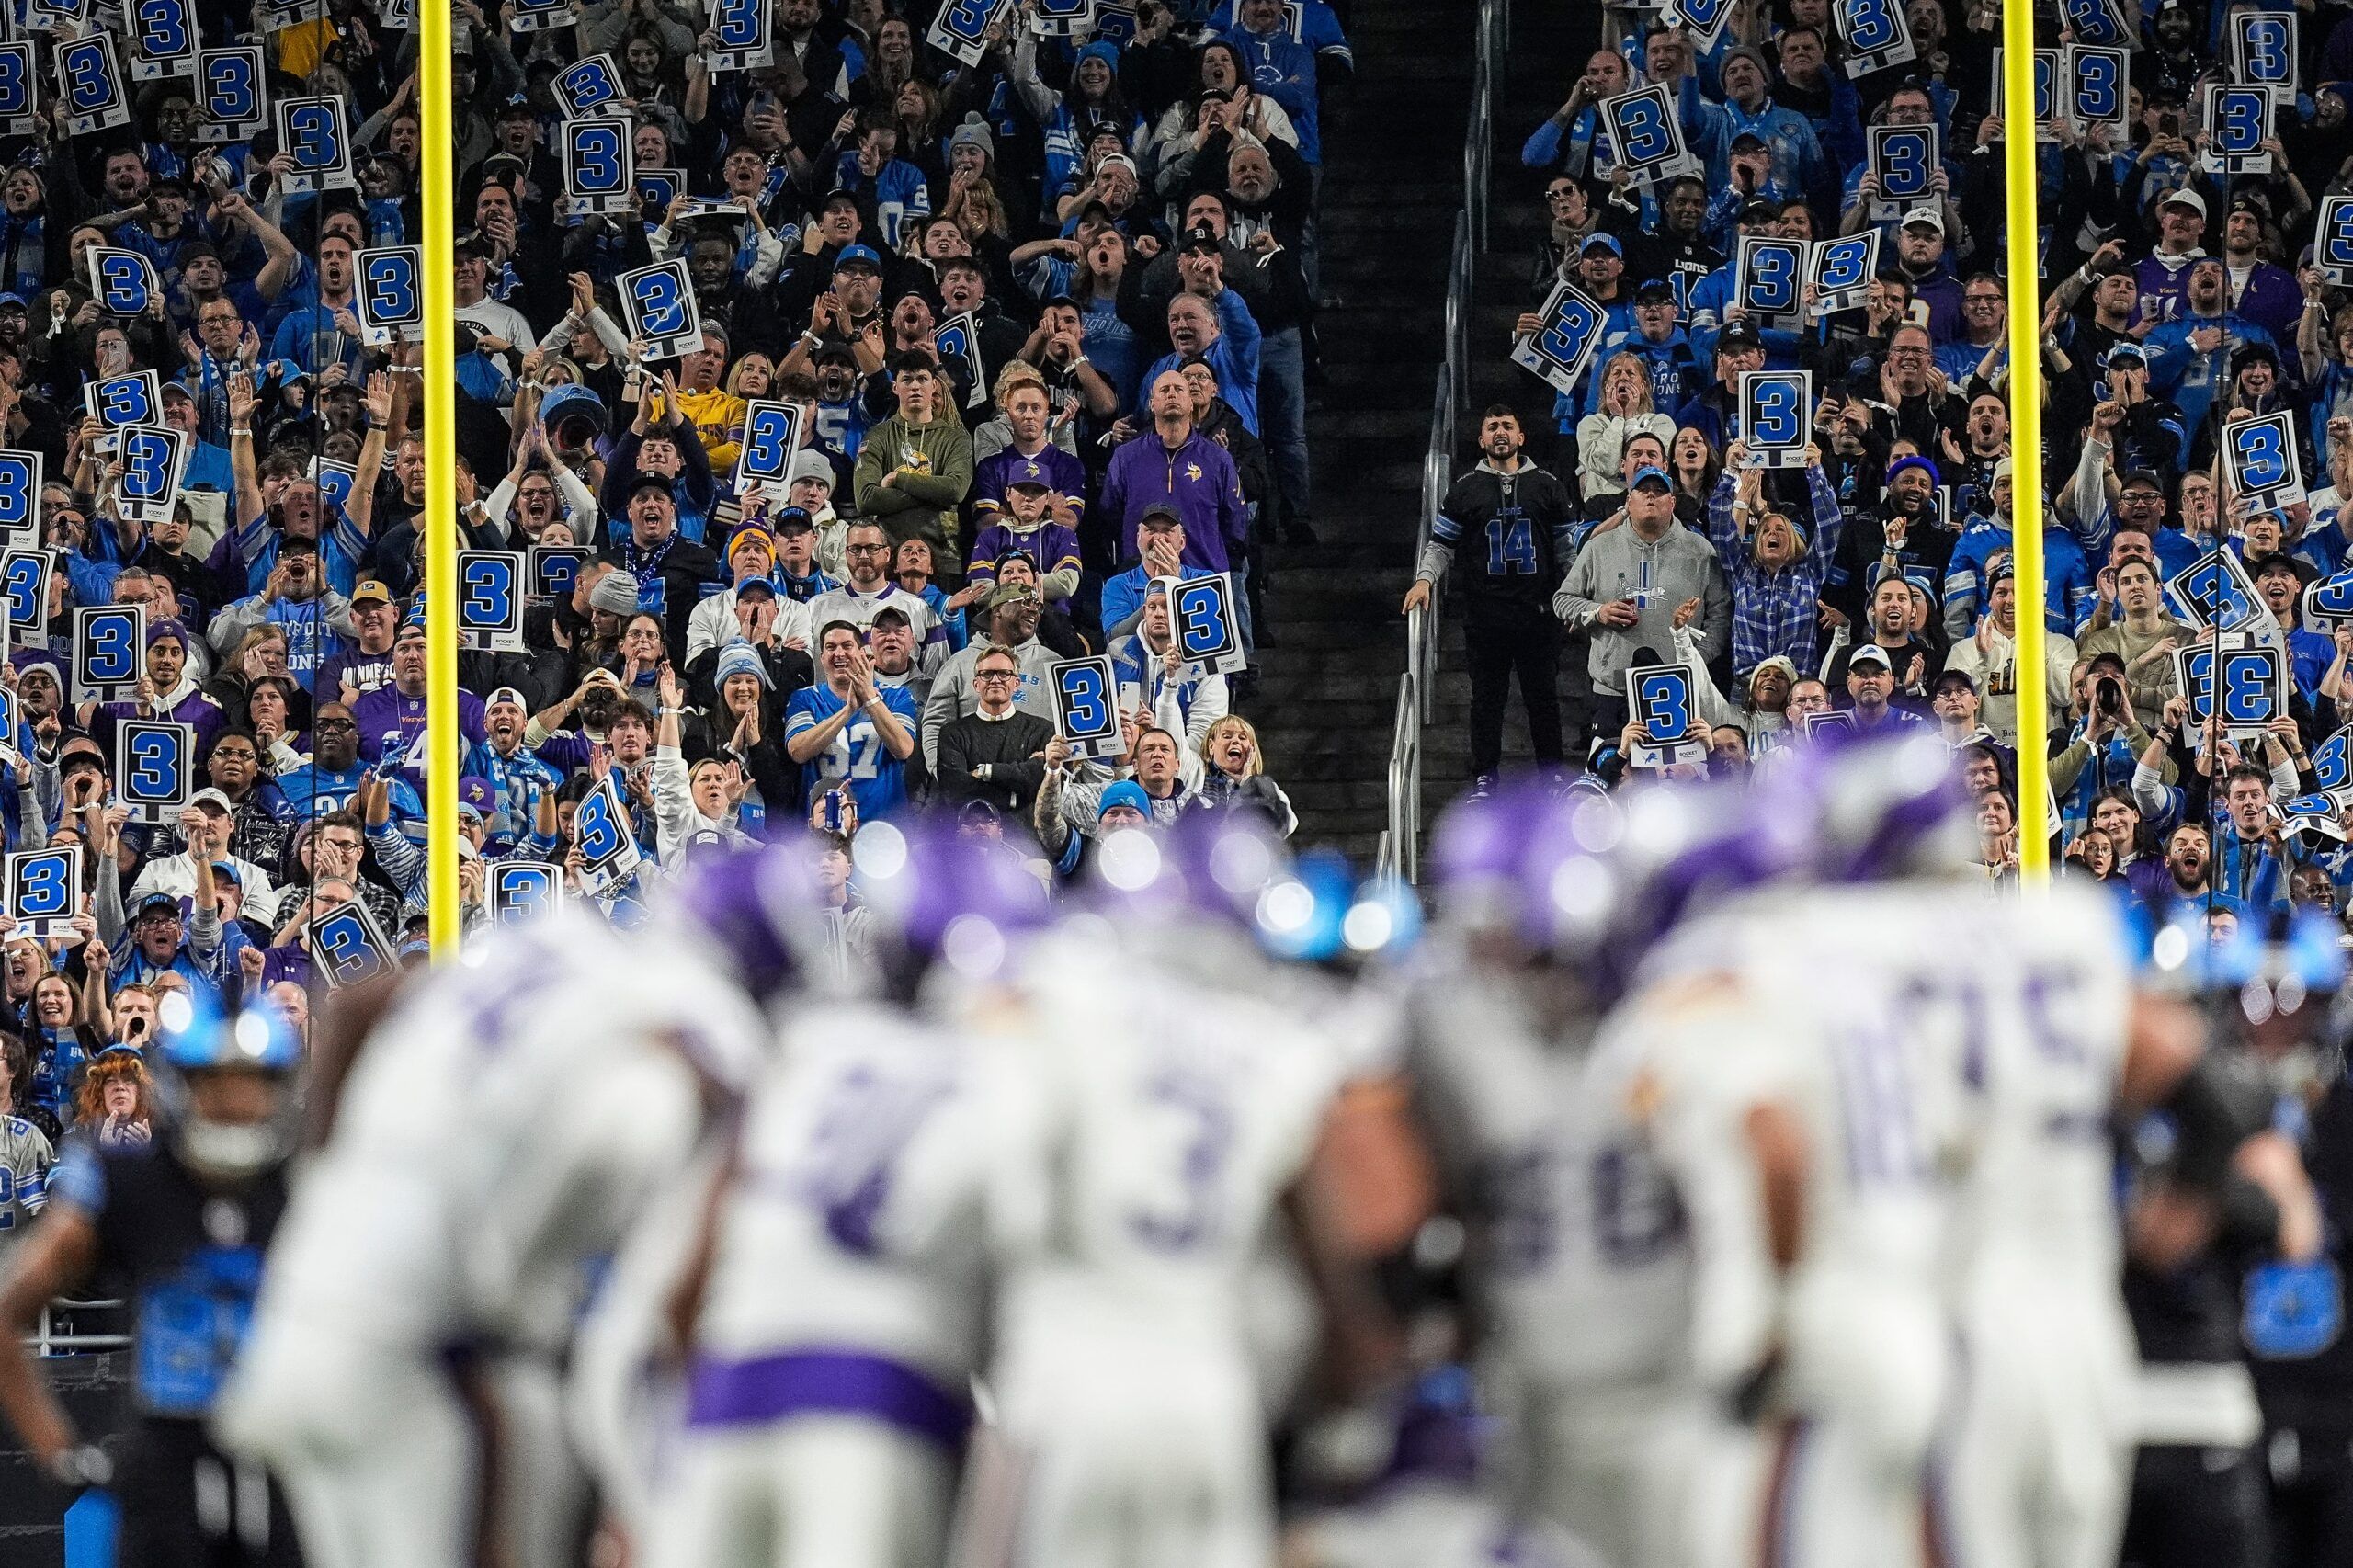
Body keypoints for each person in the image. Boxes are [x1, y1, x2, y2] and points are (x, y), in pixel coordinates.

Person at [0, 998, 303, 1568]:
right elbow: (9, 1309)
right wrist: (61, 1455)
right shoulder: (127, 1180)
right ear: (181, 1085)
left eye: (252, 1083)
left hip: (288, 1460)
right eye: (215, 1083)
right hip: (166, 1465)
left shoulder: (313, 1183)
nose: (235, 1103)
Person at [1405, 404, 1577, 790]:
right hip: (1485, 616)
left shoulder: (1547, 484)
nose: (1500, 432)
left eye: (1507, 425)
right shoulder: (1464, 489)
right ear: (1481, 439)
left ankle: (1551, 775)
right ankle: (1485, 776)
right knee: (1486, 701)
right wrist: (1424, 580)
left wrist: (1574, 599)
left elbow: (1568, 551)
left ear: (1521, 437)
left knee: (1543, 699)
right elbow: (1440, 544)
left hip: (1538, 614)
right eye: (1492, 427)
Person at [784, 621, 920, 822]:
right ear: (821, 658)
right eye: (830, 647)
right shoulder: (804, 698)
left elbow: (904, 748)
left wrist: (869, 698)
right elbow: (798, 751)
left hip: (882, 827)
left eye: (847, 646)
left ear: (862, 654)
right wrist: (848, 711)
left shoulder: (897, 696)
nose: (839, 653)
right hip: (824, 828)